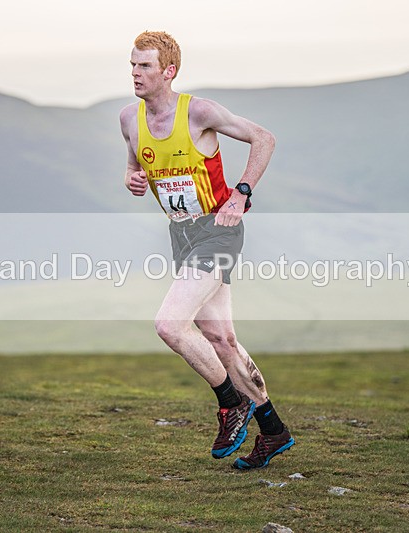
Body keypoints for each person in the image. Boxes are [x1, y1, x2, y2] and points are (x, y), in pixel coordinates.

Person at [119, 31, 294, 469]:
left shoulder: (198, 112)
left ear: (169, 71)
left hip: (218, 231)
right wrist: (132, 178)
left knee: (169, 325)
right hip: (181, 235)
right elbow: (134, 161)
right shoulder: (129, 119)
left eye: (145, 66)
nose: (136, 73)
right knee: (222, 339)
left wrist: (241, 194)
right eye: (133, 64)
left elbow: (264, 138)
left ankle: (230, 403)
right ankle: (274, 432)